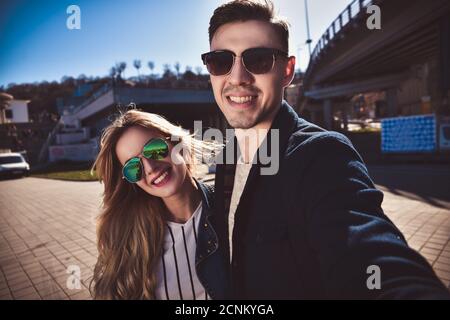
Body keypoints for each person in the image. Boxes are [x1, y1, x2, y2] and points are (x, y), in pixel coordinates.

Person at [202, 0, 450, 299]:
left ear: (288, 71)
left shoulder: (322, 156)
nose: (238, 77)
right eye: (220, 61)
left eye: (258, 59)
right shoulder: (228, 155)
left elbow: (370, 255)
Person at [90, 109, 228, 299]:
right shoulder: (127, 238)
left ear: (177, 142)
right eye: (133, 167)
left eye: (154, 149)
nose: (150, 168)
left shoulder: (231, 207)